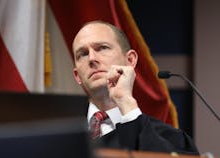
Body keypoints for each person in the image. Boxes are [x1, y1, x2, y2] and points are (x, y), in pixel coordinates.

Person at [72, 20, 199, 155]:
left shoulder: (171, 138)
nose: (91, 58)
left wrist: (127, 105)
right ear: (77, 76)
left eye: (102, 48)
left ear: (130, 60)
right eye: (83, 54)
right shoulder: (56, 132)